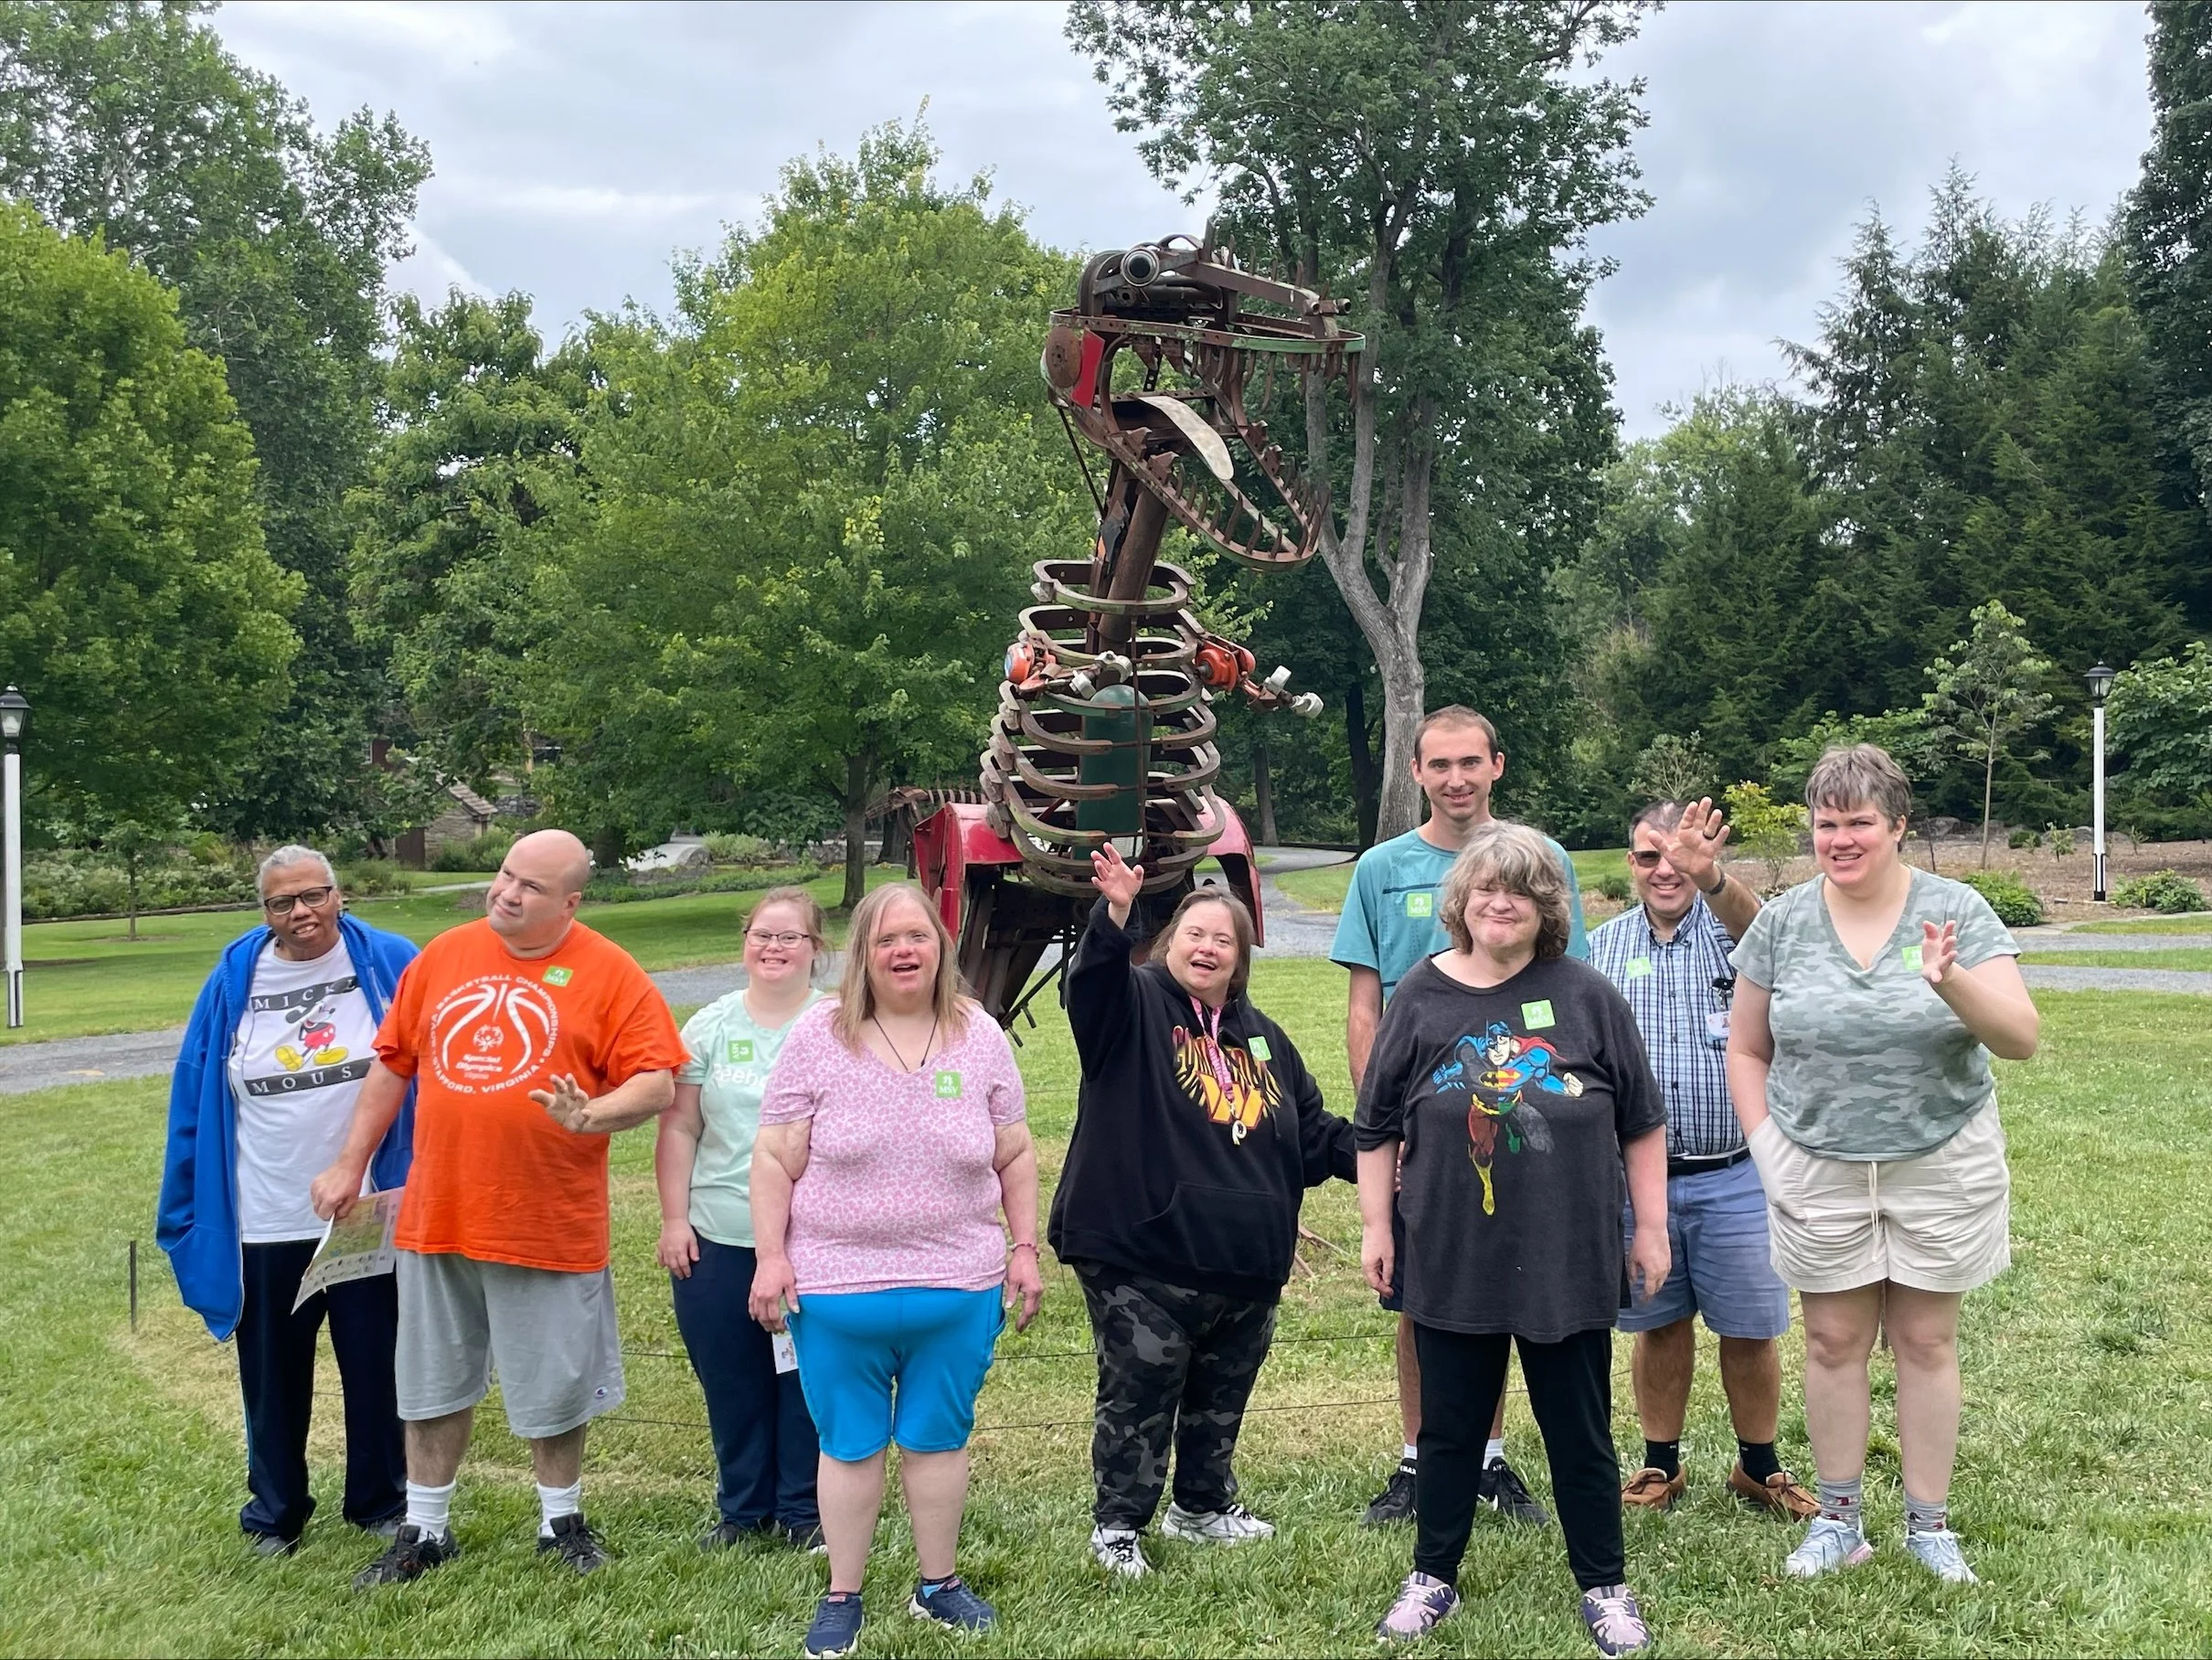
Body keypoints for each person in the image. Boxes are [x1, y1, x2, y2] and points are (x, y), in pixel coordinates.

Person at [309, 828, 686, 1586]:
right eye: (506, 876)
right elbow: (393, 1066)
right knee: (430, 1377)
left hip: (547, 1219)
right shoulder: (444, 956)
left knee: (554, 1381)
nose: (507, 893)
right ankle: (426, 1528)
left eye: (531, 888)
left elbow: (657, 1081)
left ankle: (561, 1522)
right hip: (439, 1212)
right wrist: (349, 1162)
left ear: (570, 903)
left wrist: (594, 1113)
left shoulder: (610, 972)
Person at [1728, 743, 2037, 1586]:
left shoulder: (1957, 910)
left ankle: (1929, 1526)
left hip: (1940, 1155)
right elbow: (1747, 1048)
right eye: (1827, 823)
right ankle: (1837, 1520)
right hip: (1816, 1160)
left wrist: (1952, 985)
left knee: (1926, 1340)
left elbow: (2020, 1038)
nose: (1842, 838)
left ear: (1899, 826)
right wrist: (1767, 1149)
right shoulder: (1784, 922)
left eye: (1861, 821)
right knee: (1831, 1340)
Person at [1357, 820, 1668, 1655]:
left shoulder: (1586, 993)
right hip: (1452, 1250)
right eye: (1489, 889)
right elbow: (1376, 1124)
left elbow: (1641, 1122)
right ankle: (1433, 1578)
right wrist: (1377, 1227)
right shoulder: (1420, 995)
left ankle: (1605, 1586)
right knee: (1450, 1430)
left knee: (1581, 1433)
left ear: (1546, 908)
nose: (1504, 903)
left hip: (1568, 1254)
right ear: (1463, 901)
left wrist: (1653, 1230)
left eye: (1524, 892)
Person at [748, 882, 1043, 1660]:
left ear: (941, 947)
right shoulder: (818, 1035)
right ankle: (844, 1593)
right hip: (838, 1288)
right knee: (849, 1444)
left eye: (916, 936)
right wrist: (771, 1257)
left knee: (937, 1439)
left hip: (958, 1284)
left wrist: (1023, 1248)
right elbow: (776, 1157)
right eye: (885, 940)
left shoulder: (978, 1034)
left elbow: (1013, 1152)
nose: (903, 951)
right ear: (862, 957)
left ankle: (936, 1584)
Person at [1050, 846, 1357, 1580]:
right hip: (1140, 1252)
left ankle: (1203, 1506)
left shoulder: (1266, 1039)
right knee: (1143, 1387)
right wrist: (1114, 914)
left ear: (1241, 958)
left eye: (1225, 939)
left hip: (1244, 1263)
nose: (1210, 947)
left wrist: (1391, 1152)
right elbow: (1089, 988)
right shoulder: (1132, 1004)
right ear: (1171, 942)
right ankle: (1119, 1525)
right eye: (1197, 934)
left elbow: (1313, 1137)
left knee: (1223, 1391)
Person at [1333, 706, 1588, 1528]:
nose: (1455, 779)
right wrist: (1390, 1127)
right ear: (1416, 772)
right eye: (1438, 765)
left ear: (1496, 766)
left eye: (1470, 763)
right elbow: (1366, 1008)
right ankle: (1421, 1457)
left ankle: (1490, 1459)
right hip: (1424, 1123)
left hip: (1516, 1109)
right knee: (1422, 1293)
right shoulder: (1381, 868)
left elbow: (1564, 995)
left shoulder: (1538, 862)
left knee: (1507, 1279)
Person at [156, 846, 420, 1556]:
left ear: (340, 894)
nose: (301, 913)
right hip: (265, 1209)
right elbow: (196, 1088)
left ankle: (379, 1500)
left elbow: (432, 1063)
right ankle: (275, 1511)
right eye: (282, 903)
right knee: (271, 1372)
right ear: (264, 910)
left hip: (366, 1207)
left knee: (374, 1360)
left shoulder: (392, 960)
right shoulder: (234, 977)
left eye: (314, 895)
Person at [1587, 801, 1816, 1520]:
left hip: (1736, 1170)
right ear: (1631, 864)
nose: (1665, 871)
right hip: (1640, 1183)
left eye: (1677, 857)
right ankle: (1660, 1465)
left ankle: (1761, 1468)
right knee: (1658, 1324)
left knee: (1751, 1327)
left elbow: (1771, 932)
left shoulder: (1738, 938)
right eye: (1648, 857)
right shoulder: (1599, 951)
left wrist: (1712, 877)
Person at [657, 886, 826, 1552]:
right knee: (731, 1380)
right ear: (744, 943)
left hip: (811, 1240)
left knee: (805, 1378)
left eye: (791, 937)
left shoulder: (838, 1023)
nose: (775, 947)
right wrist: (676, 1220)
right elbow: (679, 1128)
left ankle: (804, 1511)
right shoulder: (709, 1024)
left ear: (818, 950)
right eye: (763, 934)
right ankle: (742, 1509)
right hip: (716, 1235)